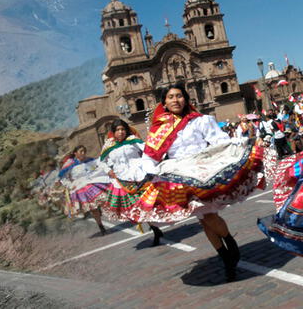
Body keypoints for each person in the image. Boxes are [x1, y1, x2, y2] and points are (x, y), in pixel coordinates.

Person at [101, 84, 264, 282]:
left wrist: (241, 145)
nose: (175, 100)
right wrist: (149, 173)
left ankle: (230, 245)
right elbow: (150, 156)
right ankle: (226, 257)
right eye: (170, 97)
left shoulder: (201, 120)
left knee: (209, 215)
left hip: (204, 169)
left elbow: (219, 140)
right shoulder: (159, 129)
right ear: (165, 103)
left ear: (185, 99)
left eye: (179, 96)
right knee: (204, 218)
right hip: (180, 175)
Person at [99, 119, 164, 245]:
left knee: (147, 203)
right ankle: (155, 228)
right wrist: (108, 170)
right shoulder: (108, 145)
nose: (121, 132)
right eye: (118, 130)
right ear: (113, 132)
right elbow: (101, 162)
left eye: (123, 129)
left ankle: (155, 227)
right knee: (137, 206)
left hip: (139, 175)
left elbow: (147, 150)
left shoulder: (133, 140)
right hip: (122, 179)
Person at [57, 145, 110, 235]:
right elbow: (62, 177)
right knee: (93, 208)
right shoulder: (70, 164)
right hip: (79, 187)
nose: (83, 153)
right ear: (75, 153)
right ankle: (100, 226)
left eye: (84, 151)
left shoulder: (89, 160)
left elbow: (99, 166)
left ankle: (101, 217)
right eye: (81, 151)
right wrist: (70, 185)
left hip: (92, 183)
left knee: (103, 200)